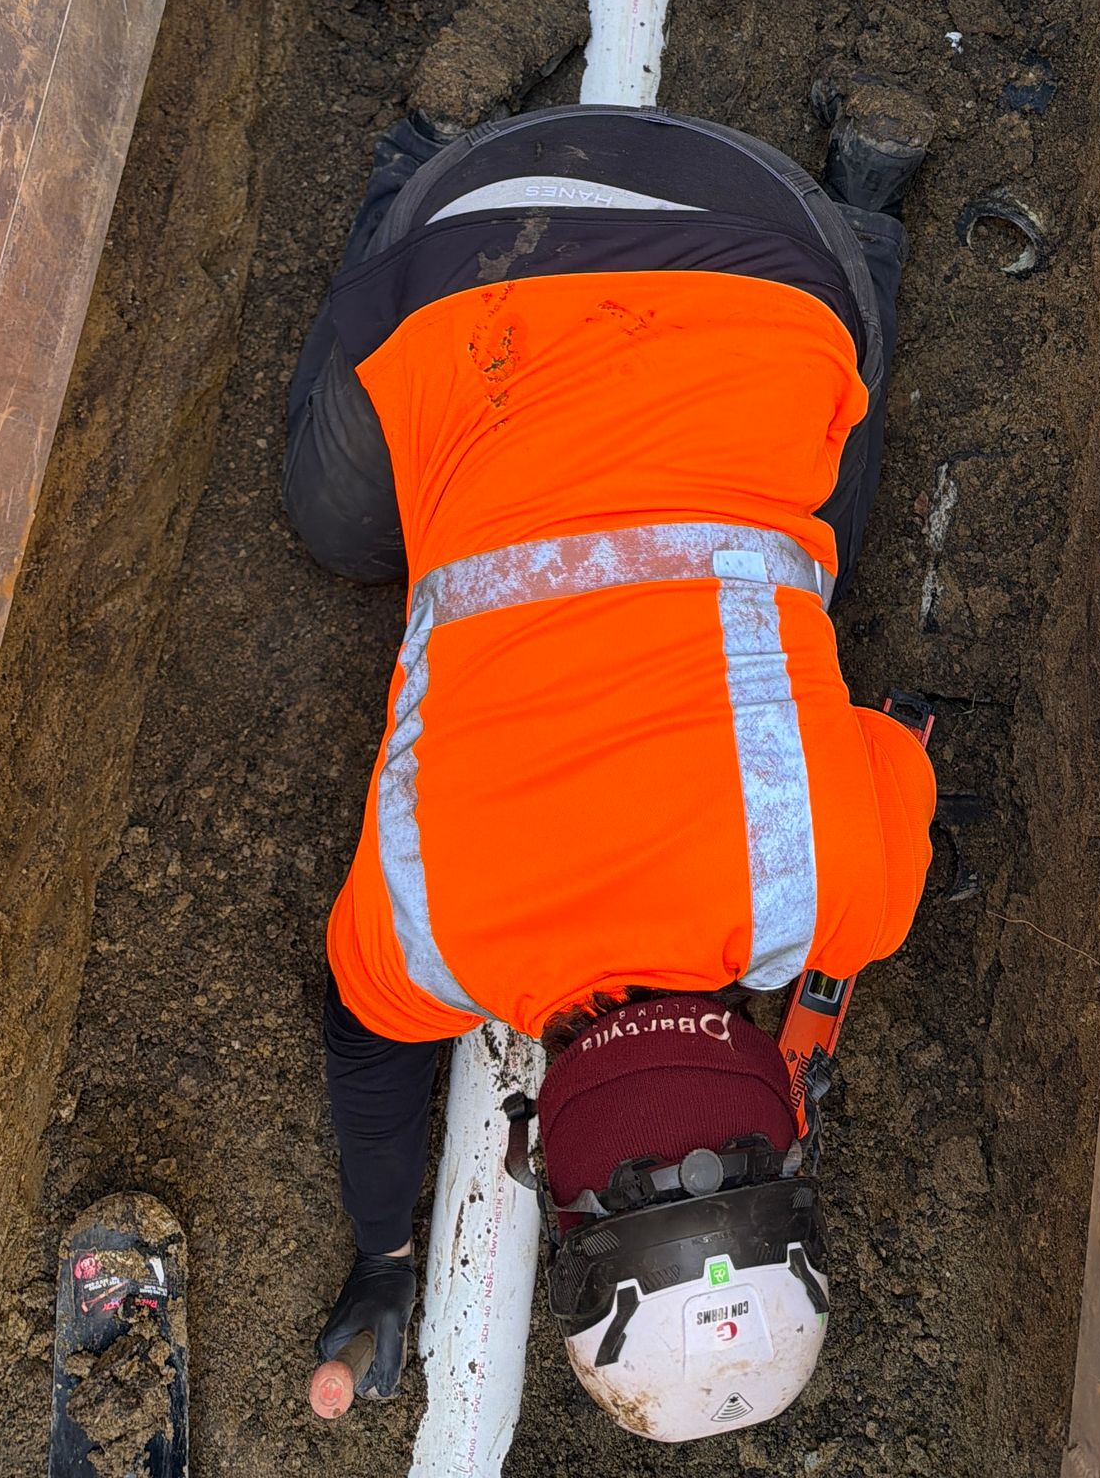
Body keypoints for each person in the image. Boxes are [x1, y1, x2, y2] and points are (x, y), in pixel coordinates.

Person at [283, 77, 937, 1440]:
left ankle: (867, 208)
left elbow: (891, 751)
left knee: (824, 556)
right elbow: (367, 1051)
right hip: (478, 241)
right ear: (543, 1149)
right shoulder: (431, 944)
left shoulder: (847, 899)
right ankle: (410, 140)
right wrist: (380, 1254)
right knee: (335, 523)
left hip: (768, 250)